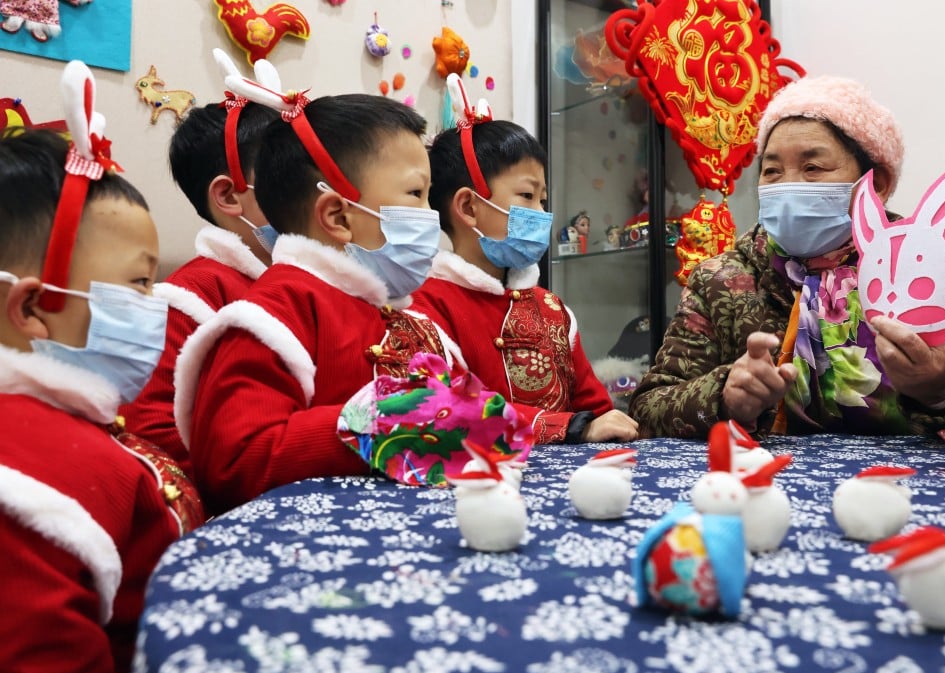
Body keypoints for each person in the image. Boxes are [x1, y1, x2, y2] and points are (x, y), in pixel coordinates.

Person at [630, 75, 945, 438]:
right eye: (771, 170)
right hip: (770, 493)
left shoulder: (941, 268)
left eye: (812, 167)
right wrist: (725, 397)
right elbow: (648, 408)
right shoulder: (720, 281)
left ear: (877, 184)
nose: (788, 186)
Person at [0, 62, 203, 673]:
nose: (156, 304)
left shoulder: (79, 425)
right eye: (140, 283)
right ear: (33, 307)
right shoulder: (27, 494)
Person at [174, 90, 466, 514]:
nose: (430, 216)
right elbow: (235, 461)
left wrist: (559, 425)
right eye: (415, 194)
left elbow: (460, 411)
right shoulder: (275, 314)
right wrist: (377, 423)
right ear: (338, 216)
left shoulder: (400, 310)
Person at [414, 114, 639, 444]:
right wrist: (571, 426)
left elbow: (596, 410)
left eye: (543, 199)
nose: (540, 213)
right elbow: (450, 409)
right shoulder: (424, 307)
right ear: (468, 207)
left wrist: (605, 423)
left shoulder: (551, 309)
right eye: (526, 196)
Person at [118, 92, 278, 475]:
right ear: (227, 195)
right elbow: (150, 431)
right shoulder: (188, 297)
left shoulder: (308, 280)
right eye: (291, 177)